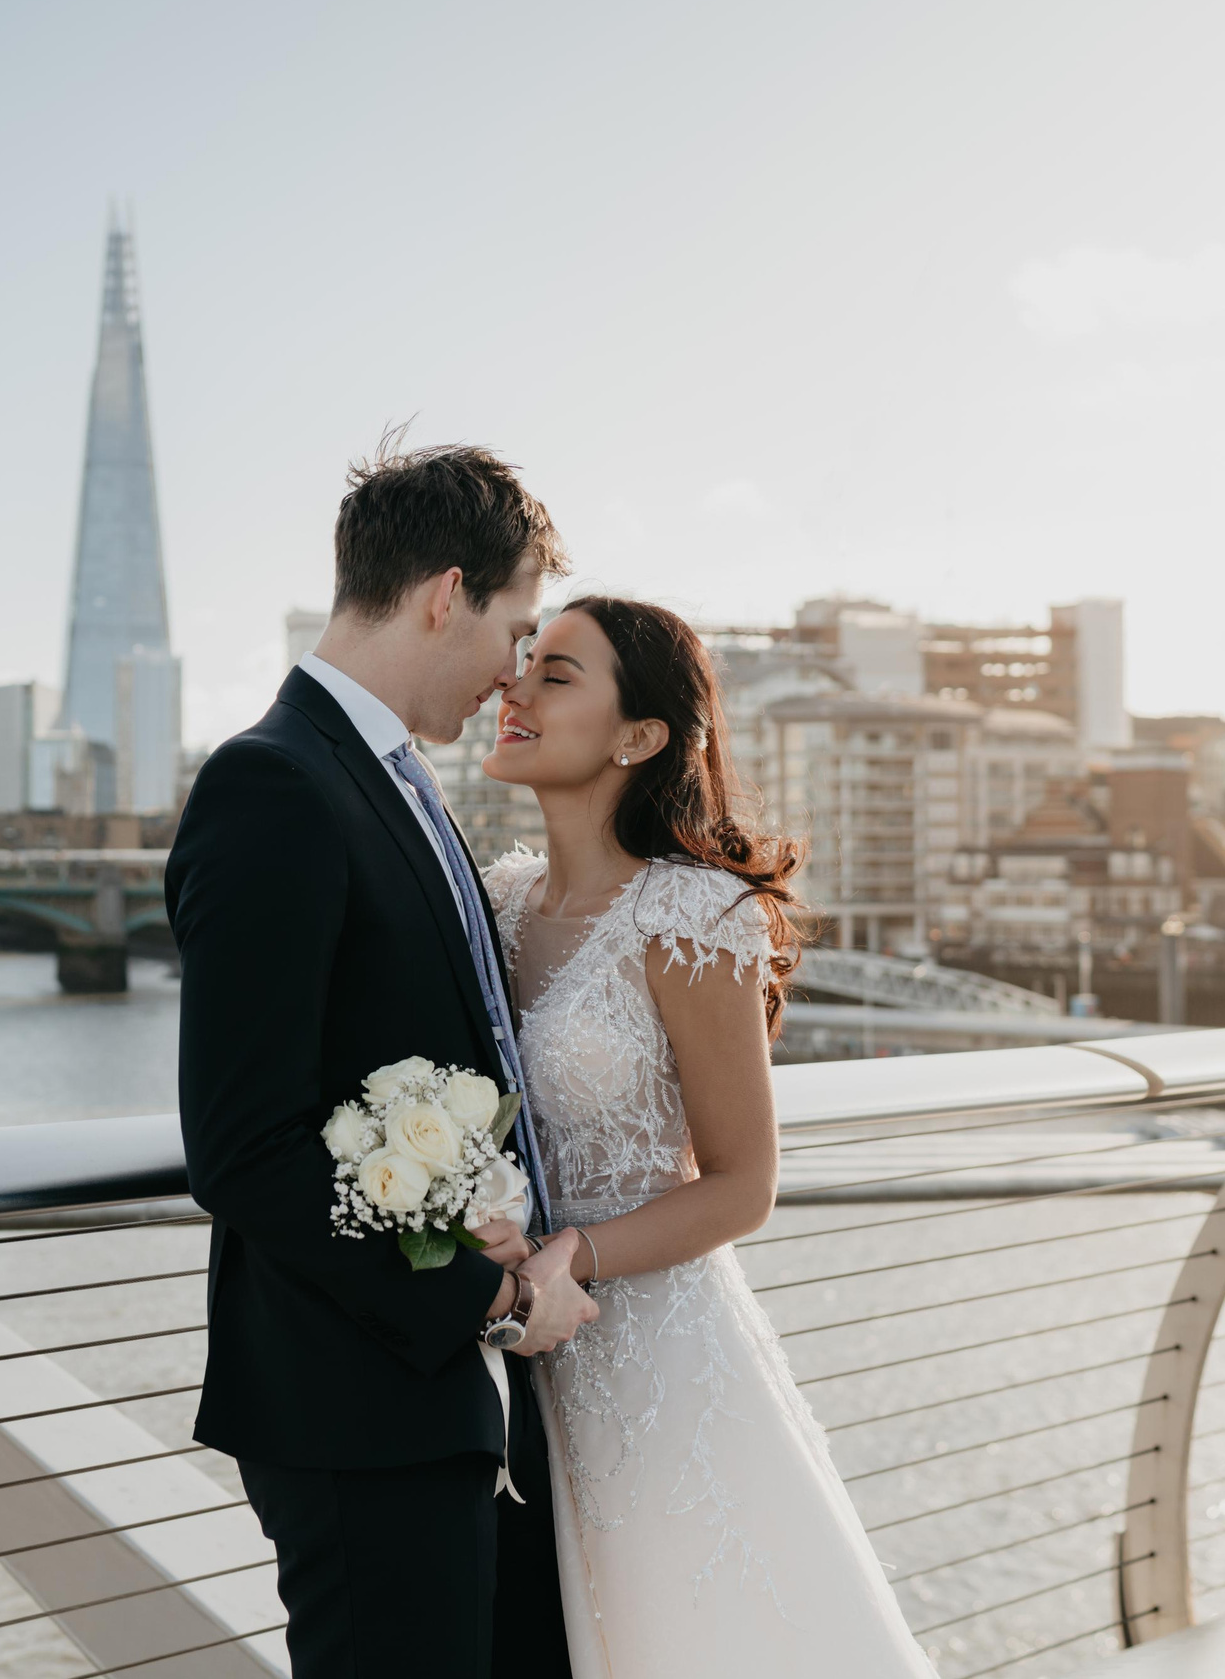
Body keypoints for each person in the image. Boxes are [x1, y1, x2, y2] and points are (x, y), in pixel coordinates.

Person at [167, 439, 594, 1679]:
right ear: (443, 594)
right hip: (350, 1410)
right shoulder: (274, 783)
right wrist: (484, 1296)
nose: (515, 668)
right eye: (514, 627)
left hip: (436, 1402)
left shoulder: (396, 779)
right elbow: (245, 1146)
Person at [478, 594, 940, 1674]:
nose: (516, 688)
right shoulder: (495, 899)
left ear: (638, 737)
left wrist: (572, 1255)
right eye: (523, 663)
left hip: (659, 1356)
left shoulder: (689, 916)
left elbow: (743, 1185)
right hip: (528, 1367)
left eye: (557, 674)